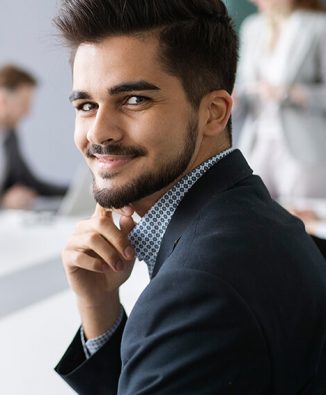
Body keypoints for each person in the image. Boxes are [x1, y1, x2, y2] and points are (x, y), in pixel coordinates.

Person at [53, 1, 326, 393]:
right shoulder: (257, 218)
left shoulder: (197, 289)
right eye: (86, 105)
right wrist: (99, 308)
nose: (99, 132)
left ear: (214, 113)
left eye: (134, 100)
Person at [234, 0, 326, 200]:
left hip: (303, 145)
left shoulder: (319, 26)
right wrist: (236, 98)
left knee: (301, 216)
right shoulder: (252, 27)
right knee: (255, 210)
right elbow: (244, 82)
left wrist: (289, 94)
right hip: (257, 139)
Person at [0, 64, 67, 210]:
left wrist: (72, 192)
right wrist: (3, 202)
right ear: (3, 100)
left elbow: (31, 183)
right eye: (23, 104)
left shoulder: (9, 137)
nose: (28, 113)